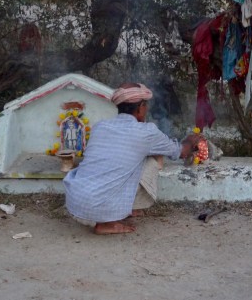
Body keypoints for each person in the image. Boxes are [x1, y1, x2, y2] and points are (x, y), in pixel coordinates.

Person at [63, 83, 199, 235]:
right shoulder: (147, 132)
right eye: (145, 106)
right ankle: (107, 224)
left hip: (76, 200)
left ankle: (125, 210)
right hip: (97, 206)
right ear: (141, 107)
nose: (146, 109)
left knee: (128, 161)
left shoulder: (100, 126)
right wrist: (191, 140)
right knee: (151, 162)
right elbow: (180, 152)